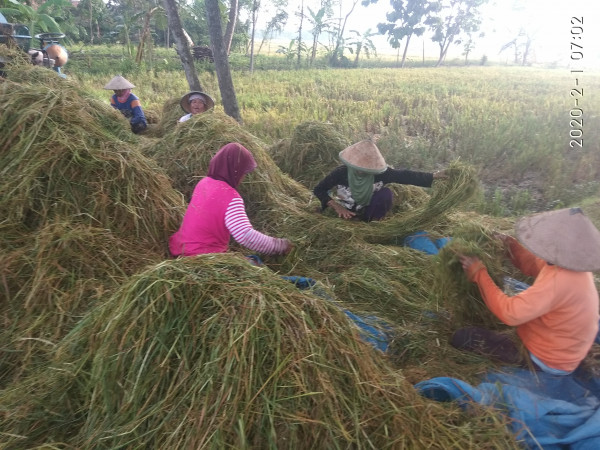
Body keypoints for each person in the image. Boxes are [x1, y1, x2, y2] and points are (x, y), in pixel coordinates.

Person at [453, 207, 600, 376]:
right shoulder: (572, 265)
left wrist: (478, 273)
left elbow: (510, 313)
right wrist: (511, 247)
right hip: (562, 345)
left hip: (547, 359)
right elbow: (534, 264)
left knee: (464, 337)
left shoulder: (558, 282)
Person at [169, 143, 293, 257]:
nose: (243, 177)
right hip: (203, 256)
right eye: (243, 172)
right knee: (254, 266)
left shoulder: (203, 183)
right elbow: (245, 235)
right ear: (235, 171)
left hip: (181, 247)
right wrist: (277, 246)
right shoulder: (231, 198)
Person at [313, 139, 447, 222]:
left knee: (386, 194)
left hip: (367, 210)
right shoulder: (341, 173)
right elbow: (319, 189)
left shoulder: (382, 174)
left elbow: (406, 176)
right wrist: (337, 207)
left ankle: (370, 222)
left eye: (366, 168)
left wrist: (433, 176)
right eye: (358, 167)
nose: (361, 171)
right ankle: (349, 217)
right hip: (345, 209)